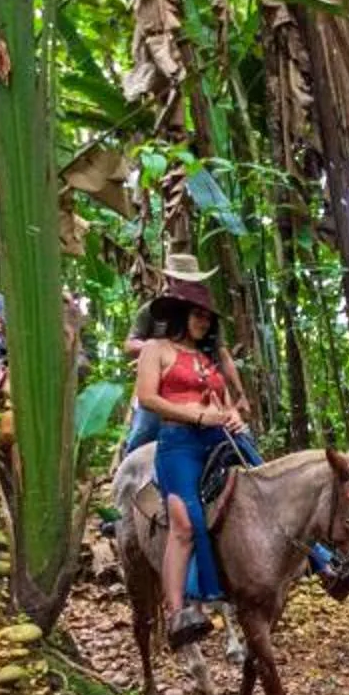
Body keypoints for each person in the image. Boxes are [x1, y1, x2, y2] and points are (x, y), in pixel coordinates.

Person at [130, 261, 246, 647]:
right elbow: (148, 397)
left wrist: (232, 417)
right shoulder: (156, 348)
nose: (203, 322)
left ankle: (313, 561)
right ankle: (178, 610)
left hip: (217, 441)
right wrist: (196, 413)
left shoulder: (208, 359)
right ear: (182, 313)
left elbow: (224, 400)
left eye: (207, 317)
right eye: (197, 314)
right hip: (178, 440)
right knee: (184, 520)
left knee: (260, 492)